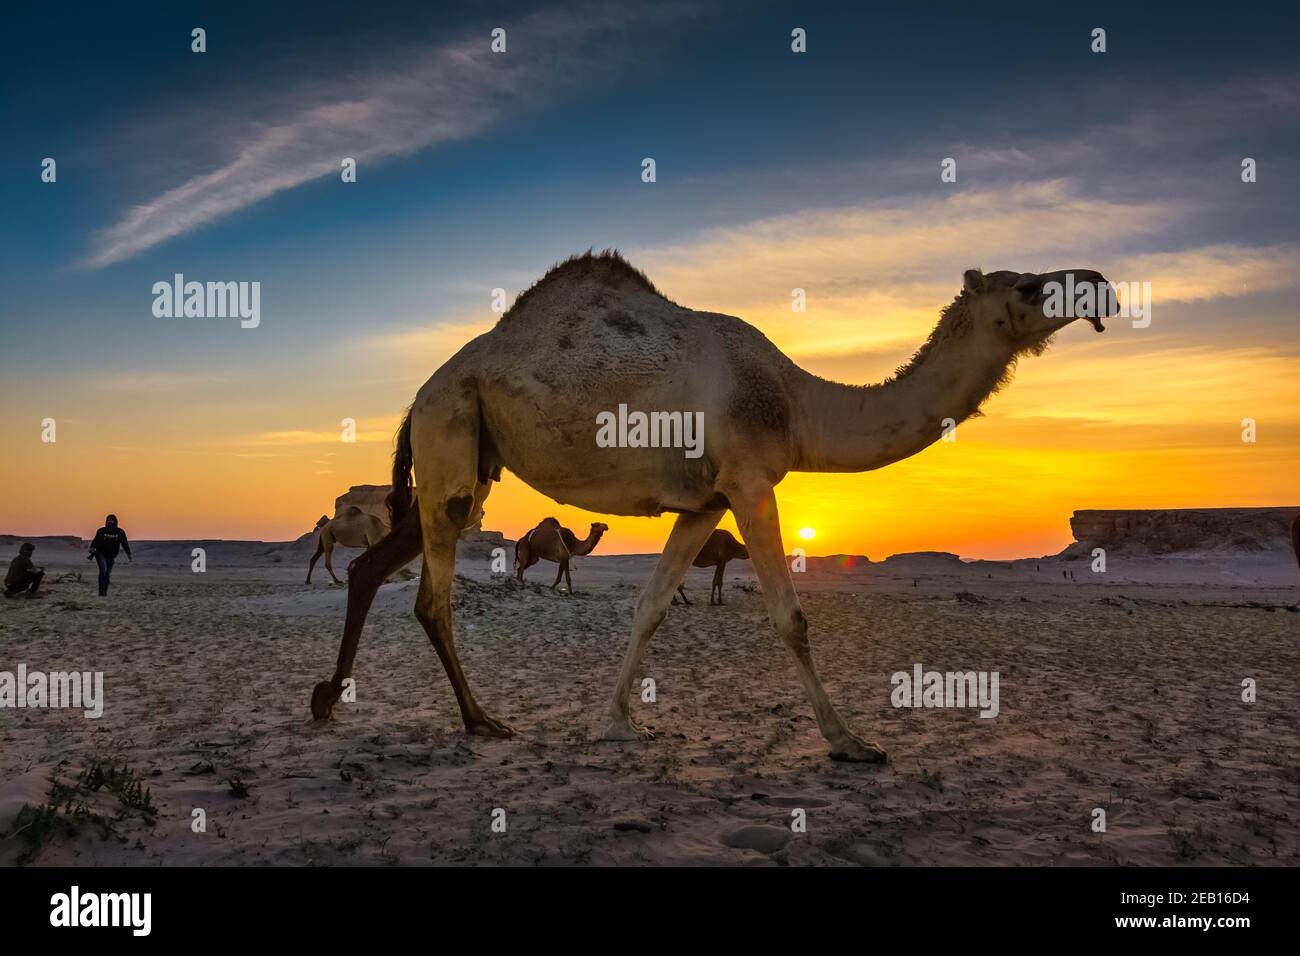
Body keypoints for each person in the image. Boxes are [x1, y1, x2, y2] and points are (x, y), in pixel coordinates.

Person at [88, 514, 132, 596]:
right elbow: (95, 541)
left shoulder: (120, 532)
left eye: (112, 520)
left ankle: (104, 592)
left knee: (107, 574)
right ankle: (101, 592)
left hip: (111, 556)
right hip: (100, 554)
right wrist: (92, 548)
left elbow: (124, 544)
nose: (110, 522)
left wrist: (129, 554)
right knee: (103, 570)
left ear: (115, 521)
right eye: (109, 520)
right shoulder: (101, 531)